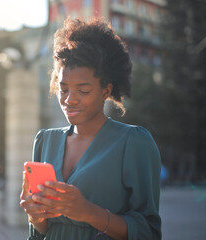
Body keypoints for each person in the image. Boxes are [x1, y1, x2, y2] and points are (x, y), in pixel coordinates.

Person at [20, 17, 161, 240]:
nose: (70, 100)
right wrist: (35, 217)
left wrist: (88, 212)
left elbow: (148, 232)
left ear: (106, 91)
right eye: (63, 89)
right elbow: (42, 233)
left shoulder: (133, 142)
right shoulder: (45, 141)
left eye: (83, 91)